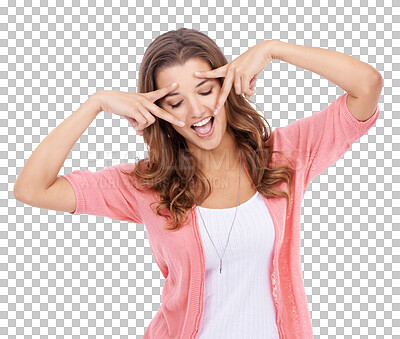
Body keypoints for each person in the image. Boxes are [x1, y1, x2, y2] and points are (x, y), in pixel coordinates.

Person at [13, 27, 382, 338]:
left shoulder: (284, 157)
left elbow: (367, 86)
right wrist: (96, 104)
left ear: (227, 83)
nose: (196, 111)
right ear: (160, 112)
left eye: (205, 91)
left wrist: (273, 49)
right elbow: (32, 188)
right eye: (175, 102)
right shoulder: (147, 185)